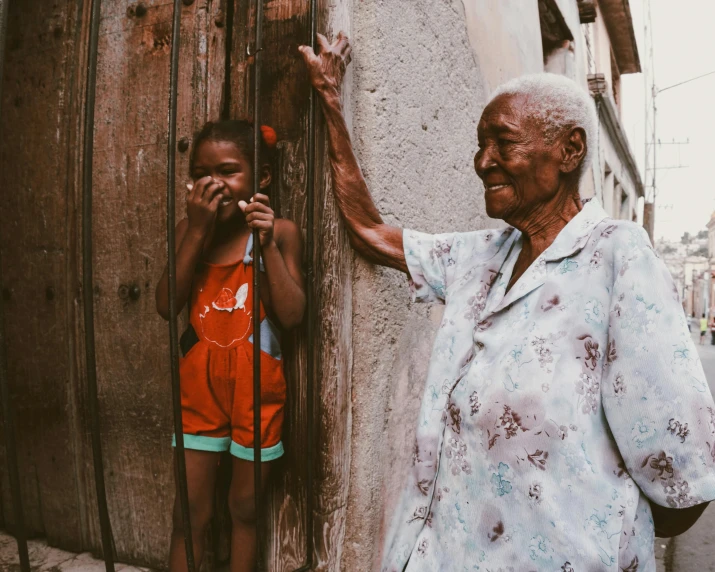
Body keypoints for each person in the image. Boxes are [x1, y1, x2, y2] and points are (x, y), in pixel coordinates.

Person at [299, 34, 715, 571]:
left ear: (570, 150)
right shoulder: (477, 259)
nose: (483, 161)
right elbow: (368, 231)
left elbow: (681, 482)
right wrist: (331, 103)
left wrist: (581, 516)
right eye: (480, 144)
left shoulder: (617, 256)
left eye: (504, 142)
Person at [155, 120, 305, 572]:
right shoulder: (190, 230)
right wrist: (197, 231)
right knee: (190, 515)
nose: (213, 184)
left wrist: (267, 249)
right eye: (202, 173)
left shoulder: (279, 232)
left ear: (260, 178)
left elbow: (294, 315)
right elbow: (166, 304)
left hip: (255, 394)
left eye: (228, 171)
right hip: (198, 392)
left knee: (244, 509)